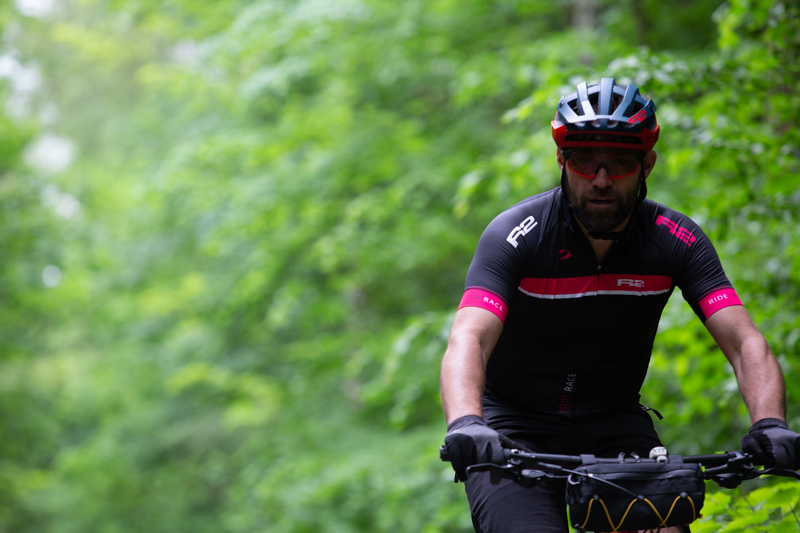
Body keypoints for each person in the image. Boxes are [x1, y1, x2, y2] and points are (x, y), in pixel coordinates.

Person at [439, 78, 800, 533]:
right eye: (584, 160)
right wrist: (466, 422)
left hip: (614, 425)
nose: (601, 179)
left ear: (647, 163)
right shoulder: (516, 235)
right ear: (561, 159)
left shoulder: (676, 240)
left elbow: (745, 342)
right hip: (512, 427)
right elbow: (469, 337)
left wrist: (769, 423)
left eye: (621, 161)